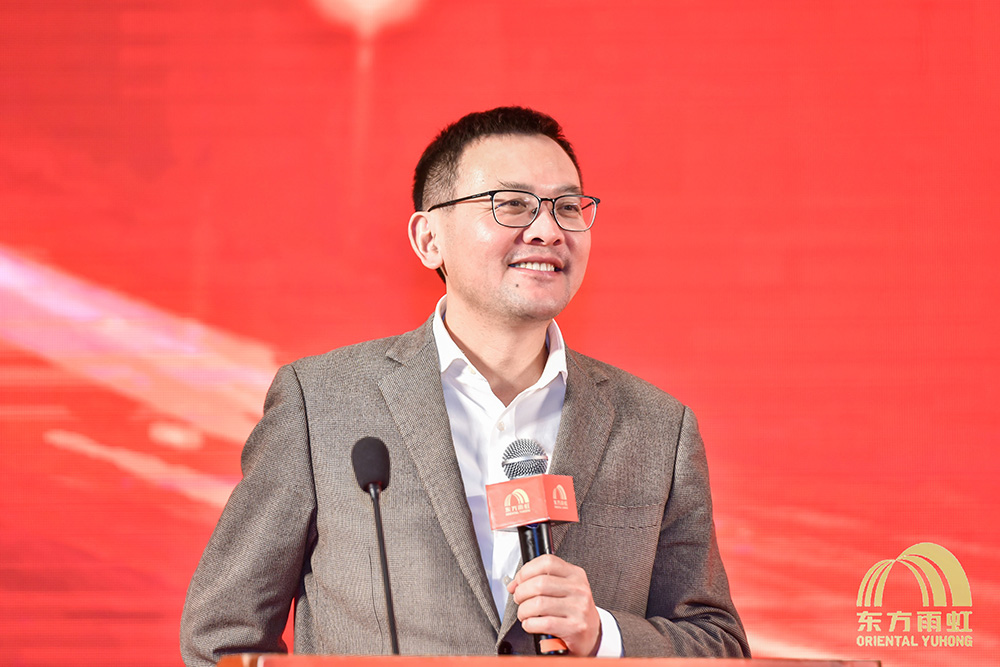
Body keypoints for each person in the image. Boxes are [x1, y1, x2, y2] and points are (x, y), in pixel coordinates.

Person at [180, 106, 750, 665]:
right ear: (429, 238)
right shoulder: (322, 402)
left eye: (568, 207)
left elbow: (718, 643)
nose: (548, 230)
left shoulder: (656, 427)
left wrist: (603, 634)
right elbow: (222, 636)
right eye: (513, 204)